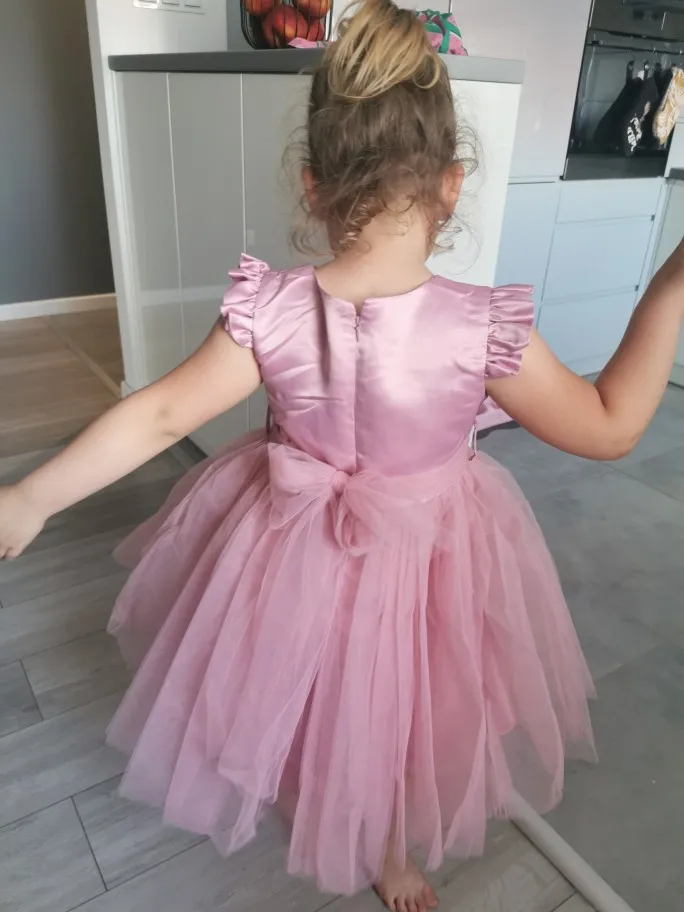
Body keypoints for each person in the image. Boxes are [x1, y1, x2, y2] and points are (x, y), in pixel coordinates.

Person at [0, 1, 683, 909]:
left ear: (313, 186)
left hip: (290, 552)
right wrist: (673, 279)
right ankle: (388, 849)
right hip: (428, 561)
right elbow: (612, 425)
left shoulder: (269, 310)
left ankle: (359, 824)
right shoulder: (484, 329)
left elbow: (159, 415)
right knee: (400, 712)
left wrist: (32, 497)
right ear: (453, 185)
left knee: (317, 686)